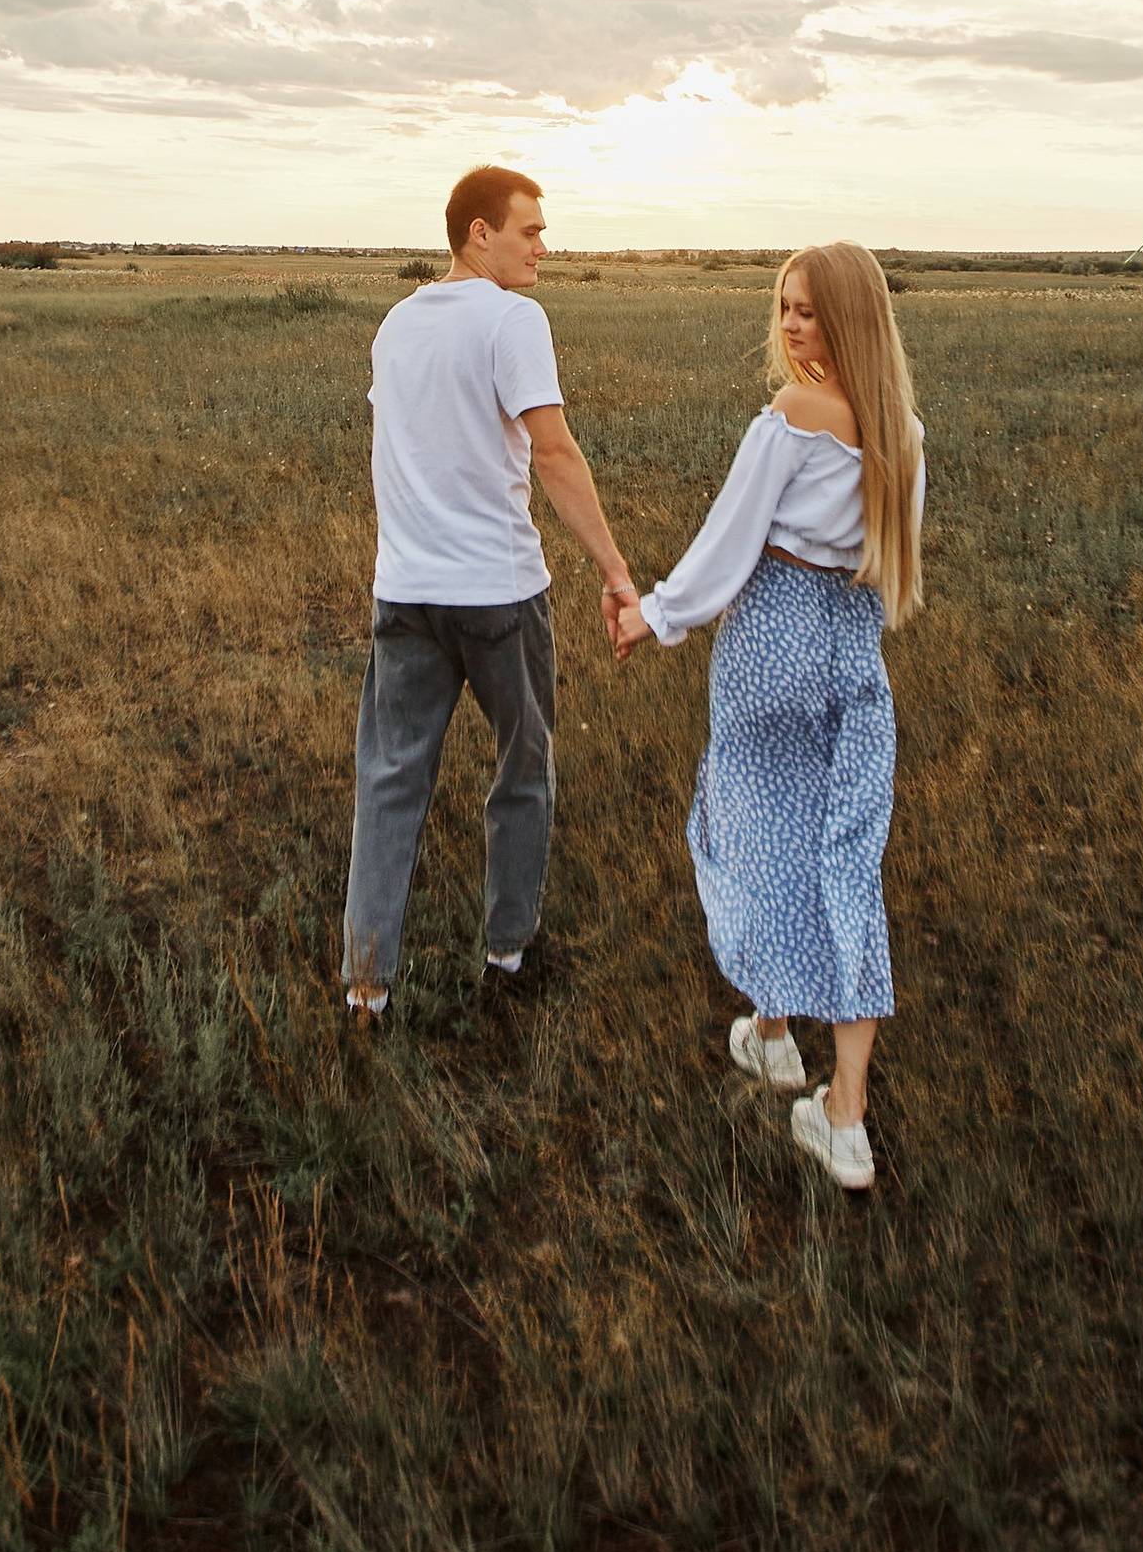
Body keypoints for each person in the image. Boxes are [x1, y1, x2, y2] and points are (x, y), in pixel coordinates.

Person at [613, 242, 924, 1189]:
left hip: (773, 642)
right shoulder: (904, 431)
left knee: (753, 836)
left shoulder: (793, 418)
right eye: (784, 308)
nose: (791, 327)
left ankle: (790, 1046)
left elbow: (727, 544)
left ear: (849, 319)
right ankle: (834, 1098)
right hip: (853, 651)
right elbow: (890, 562)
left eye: (810, 311)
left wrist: (653, 614)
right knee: (841, 855)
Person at [341, 165, 636, 1022]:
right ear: (479, 232)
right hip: (499, 595)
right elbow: (553, 453)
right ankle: (507, 960)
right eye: (530, 230)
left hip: (405, 592)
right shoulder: (515, 319)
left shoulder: (397, 325)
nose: (543, 245)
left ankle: (366, 990)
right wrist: (617, 574)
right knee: (523, 772)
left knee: (390, 784)